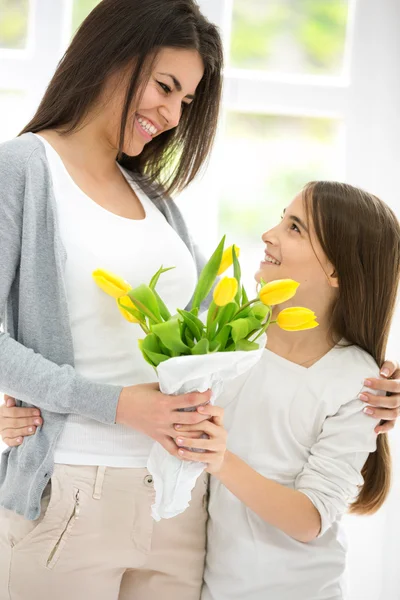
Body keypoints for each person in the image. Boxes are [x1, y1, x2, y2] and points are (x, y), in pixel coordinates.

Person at [0, 1, 225, 599]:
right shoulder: (22, 168)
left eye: (186, 101)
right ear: (112, 56)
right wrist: (118, 405)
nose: (172, 115)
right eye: (164, 86)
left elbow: (220, 341)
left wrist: (354, 384)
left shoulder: (156, 201)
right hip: (71, 492)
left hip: (176, 502)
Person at [174, 181, 400, 600]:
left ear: (337, 270)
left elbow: (310, 519)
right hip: (216, 586)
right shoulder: (235, 334)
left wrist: (221, 461)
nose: (269, 234)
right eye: (282, 218)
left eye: (295, 227)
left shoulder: (357, 382)